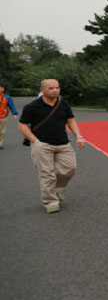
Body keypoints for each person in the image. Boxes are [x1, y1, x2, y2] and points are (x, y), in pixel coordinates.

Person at [17, 79, 86, 213]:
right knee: (47, 174)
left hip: (63, 143)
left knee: (69, 169)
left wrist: (78, 136)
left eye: (57, 88)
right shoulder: (32, 107)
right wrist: (35, 141)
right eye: (50, 88)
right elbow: (22, 125)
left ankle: (53, 190)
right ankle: (50, 201)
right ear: (42, 90)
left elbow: (71, 120)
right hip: (42, 144)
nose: (55, 90)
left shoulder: (63, 103)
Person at [0, 85, 20, 149]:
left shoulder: (7, 97)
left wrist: (14, 114)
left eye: (0, 87)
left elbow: (12, 106)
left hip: (3, 117)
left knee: (1, 132)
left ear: (3, 89)